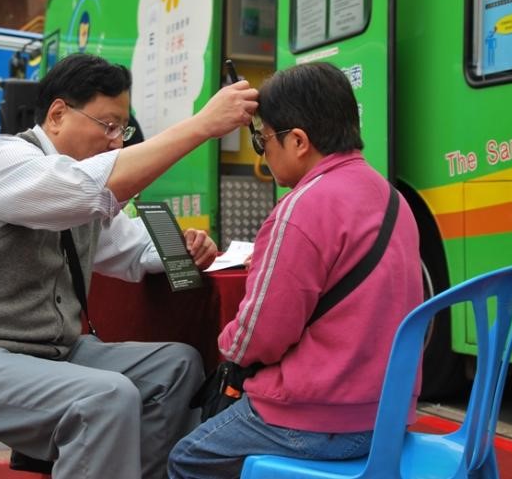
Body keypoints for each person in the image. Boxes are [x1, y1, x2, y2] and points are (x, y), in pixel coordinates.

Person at [0, 53, 258, 479]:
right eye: (108, 125)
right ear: (57, 115)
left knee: (176, 367)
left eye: (121, 128)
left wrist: (183, 248)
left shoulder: (71, 185)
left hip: (49, 355)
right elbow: (87, 192)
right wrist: (203, 125)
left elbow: (130, 249)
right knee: (104, 398)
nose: (116, 141)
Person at [168, 62, 422, 478]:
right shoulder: (391, 197)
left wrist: (228, 342)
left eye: (263, 139)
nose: (262, 151)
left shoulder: (300, 211)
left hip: (317, 419)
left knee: (187, 459)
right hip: (388, 417)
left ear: (299, 141)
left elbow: (258, 338)